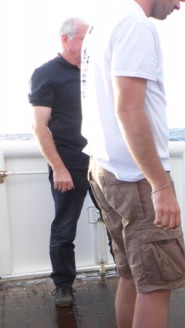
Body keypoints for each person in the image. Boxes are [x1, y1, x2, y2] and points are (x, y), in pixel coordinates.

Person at [80, 0, 185, 326]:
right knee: (156, 284)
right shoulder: (135, 25)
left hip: (105, 169)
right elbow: (128, 109)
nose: (180, 5)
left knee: (132, 275)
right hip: (136, 179)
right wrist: (160, 185)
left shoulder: (102, 23)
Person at [28, 17, 90, 308]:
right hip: (69, 162)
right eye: (84, 38)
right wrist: (59, 167)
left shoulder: (94, 71)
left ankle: (128, 275)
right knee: (64, 228)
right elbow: (40, 127)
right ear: (66, 39)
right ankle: (63, 284)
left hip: (102, 160)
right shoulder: (46, 73)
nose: (89, 45)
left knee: (119, 222)